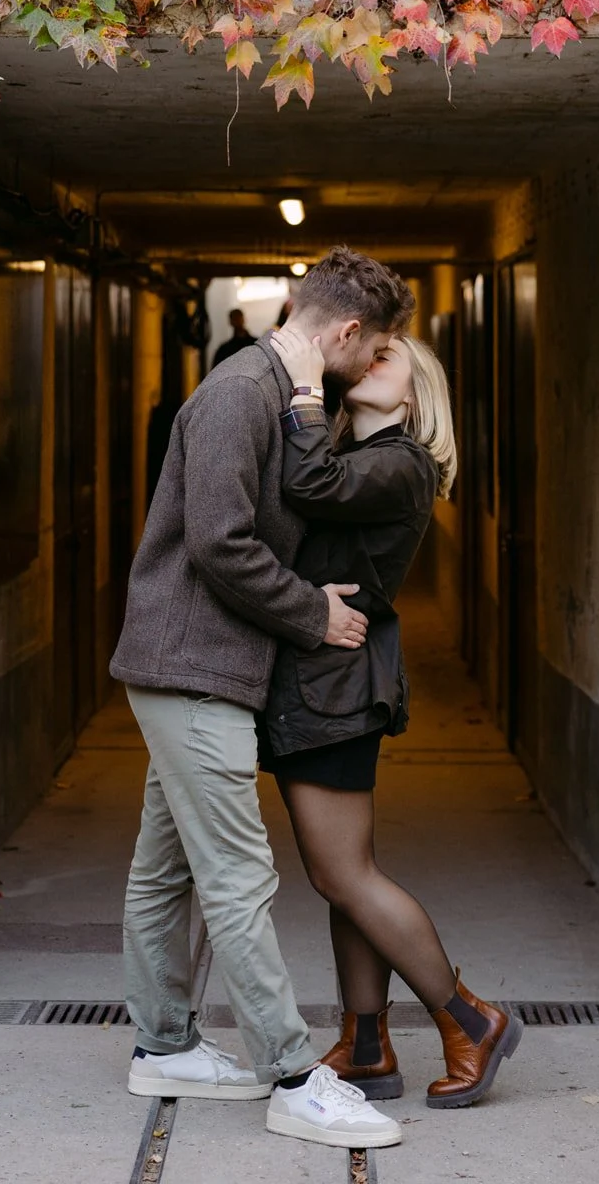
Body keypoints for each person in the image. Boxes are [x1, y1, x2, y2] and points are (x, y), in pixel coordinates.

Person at [110, 248, 416, 1150]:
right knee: (239, 877)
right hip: (193, 666)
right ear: (347, 332)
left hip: (200, 665)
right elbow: (220, 542)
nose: (374, 365)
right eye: (376, 349)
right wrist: (313, 614)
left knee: (164, 869)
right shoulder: (242, 393)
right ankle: (292, 1076)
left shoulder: (275, 393)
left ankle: (164, 1047)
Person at [261, 325, 523, 1110]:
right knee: (345, 877)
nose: (371, 361)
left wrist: (303, 389)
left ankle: (469, 1019)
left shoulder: (401, 463)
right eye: (368, 353)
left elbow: (308, 486)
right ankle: (366, 1046)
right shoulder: (360, 454)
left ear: (415, 394)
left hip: (333, 687)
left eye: (389, 357)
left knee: (344, 874)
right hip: (322, 682)